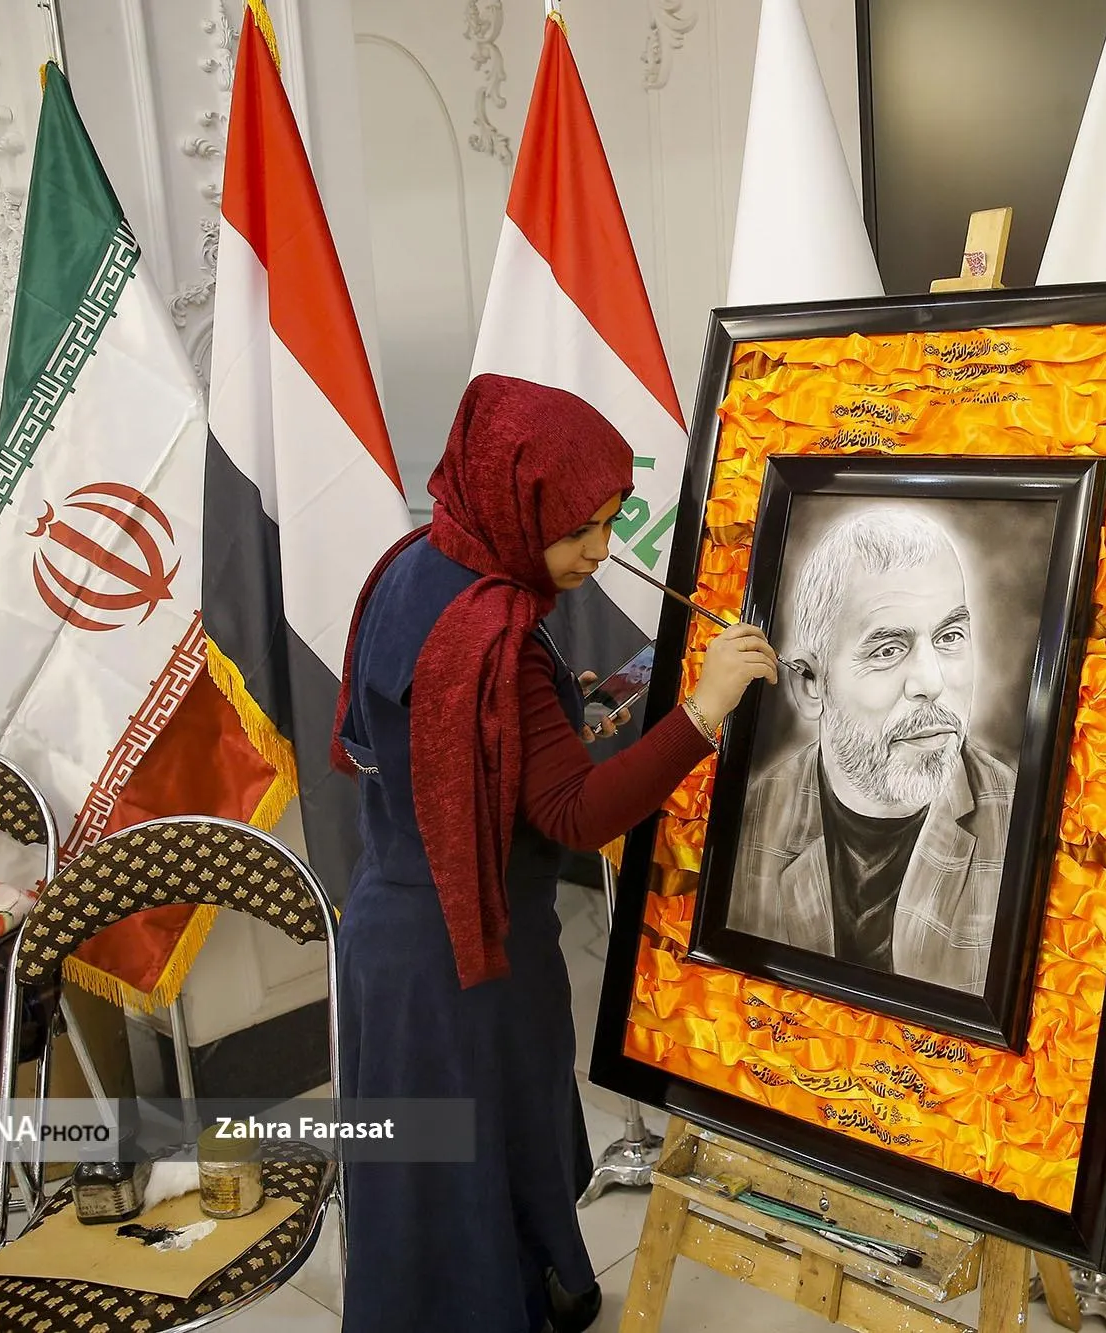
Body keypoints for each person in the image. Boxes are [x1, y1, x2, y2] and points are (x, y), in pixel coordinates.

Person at [330, 374, 777, 1332]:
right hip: (462, 958)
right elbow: (574, 814)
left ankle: (511, 1293)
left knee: (441, 1166)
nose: (601, 551)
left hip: (393, 931)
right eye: (579, 530)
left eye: (611, 522)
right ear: (514, 503)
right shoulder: (494, 634)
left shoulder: (415, 561)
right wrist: (703, 712)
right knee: (468, 1160)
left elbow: (434, 735)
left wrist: (551, 718)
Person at [726, 508, 1014, 994]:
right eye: (888, 650)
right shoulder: (749, 819)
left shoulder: (1019, 825)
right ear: (811, 684)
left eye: (949, 638)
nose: (931, 682)